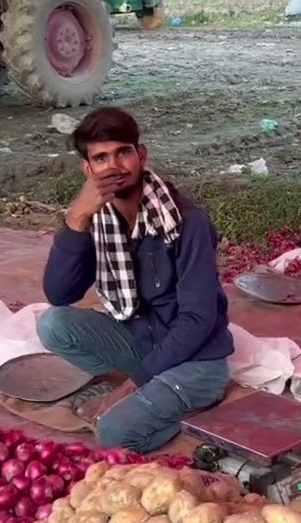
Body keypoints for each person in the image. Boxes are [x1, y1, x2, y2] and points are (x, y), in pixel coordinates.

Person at [37, 107, 234, 454]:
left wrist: (132, 385)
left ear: (140, 155)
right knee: (53, 324)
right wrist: (77, 217)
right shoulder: (99, 221)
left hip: (197, 362)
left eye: (123, 152)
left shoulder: (186, 222)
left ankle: (182, 407)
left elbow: (198, 319)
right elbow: (59, 293)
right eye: (101, 158)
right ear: (88, 170)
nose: (114, 166)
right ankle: (149, 389)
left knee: (114, 432)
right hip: (142, 346)